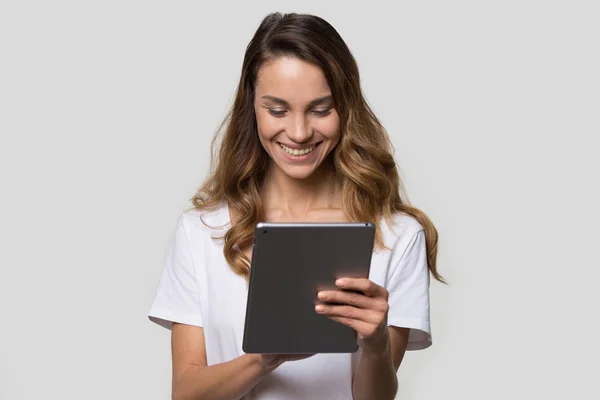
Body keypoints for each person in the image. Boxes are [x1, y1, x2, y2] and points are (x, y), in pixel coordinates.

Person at [148, 12, 445, 400]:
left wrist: (374, 345)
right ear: (251, 109)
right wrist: (264, 358)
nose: (300, 132)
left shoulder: (396, 236)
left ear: (346, 107)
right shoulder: (201, 231)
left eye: (321, 110)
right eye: (277, 110)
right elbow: (185, 394)